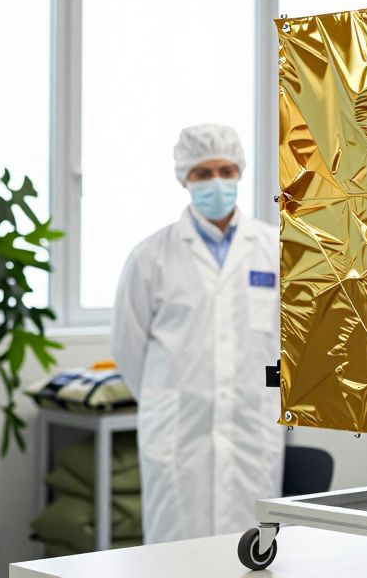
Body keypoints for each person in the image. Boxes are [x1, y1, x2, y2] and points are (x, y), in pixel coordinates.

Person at [112, 124, 283, 544]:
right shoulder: (151, 256)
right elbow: (129, 349)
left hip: (252, 425)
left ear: (240, 172)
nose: (216, 182)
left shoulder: (274, 249)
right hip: (178, 431)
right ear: (184, 178)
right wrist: (167, 395)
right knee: (175, 554)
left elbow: (287, 345)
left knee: (251, 550)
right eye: (203, 173)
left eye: (225, 170)